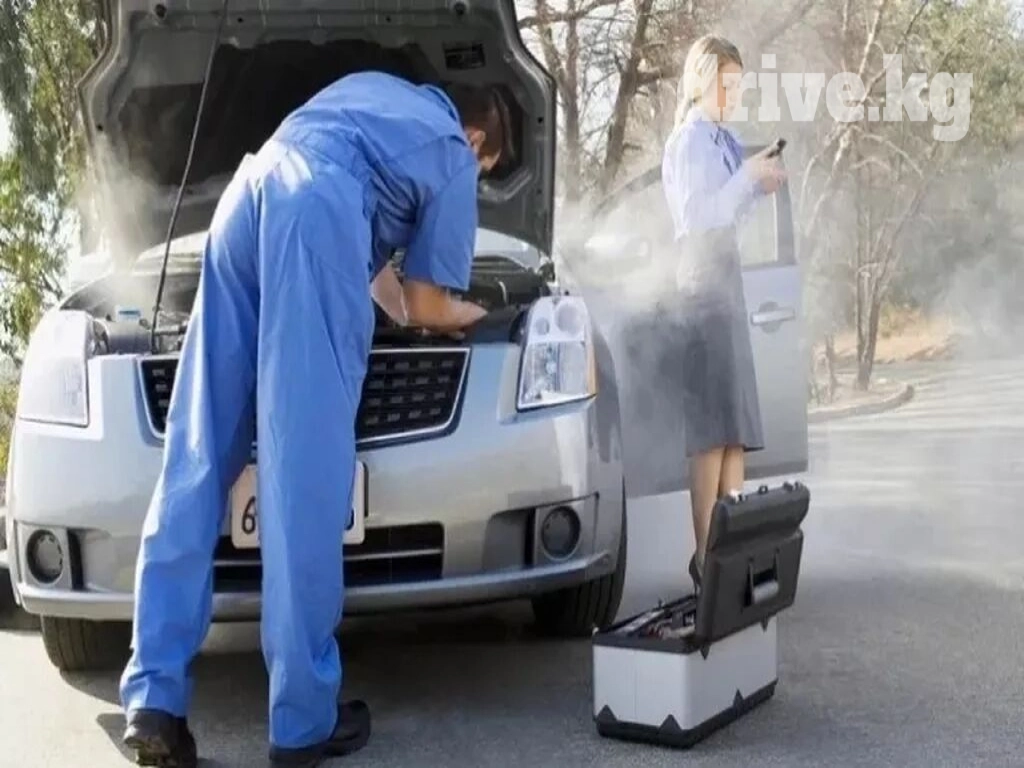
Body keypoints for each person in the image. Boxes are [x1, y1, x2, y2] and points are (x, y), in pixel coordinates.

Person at [118, 70, 512, 768]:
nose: (473, 188)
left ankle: (154, 700)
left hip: (247, 197)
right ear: (478, 138)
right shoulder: (453, 150)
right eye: (484, 177)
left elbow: (382, 277)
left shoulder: (374, 96)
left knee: (199, 449)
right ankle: (300, 724)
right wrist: (476, 313)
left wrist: (397, 303)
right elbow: (427, 304)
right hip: (315, 217)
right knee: (301, 475)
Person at [660, 35, 786, 589]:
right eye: (726, 84)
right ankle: (705, 557)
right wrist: (746, 179)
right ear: (702, 80)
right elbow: (699, 217)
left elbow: (732, 208)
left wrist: (759, 184)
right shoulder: (691, 140)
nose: (733, 95)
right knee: (712, 428)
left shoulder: (721, 139)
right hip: (701, 276)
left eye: (738, 85)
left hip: (724, 273)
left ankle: (729, 551)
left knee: (734, 427)